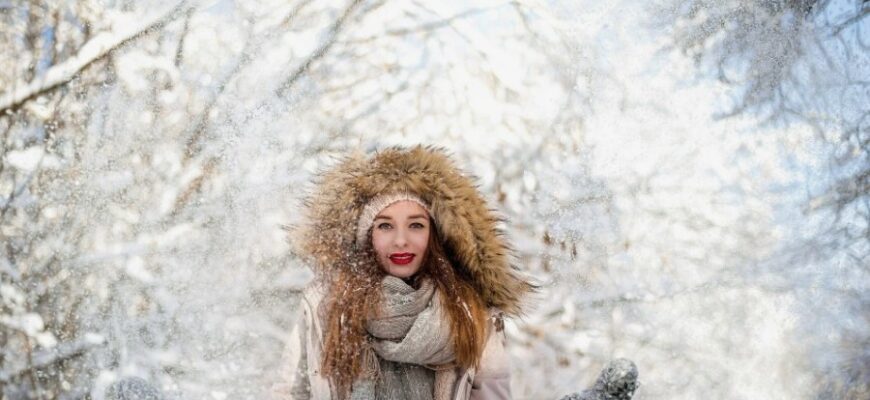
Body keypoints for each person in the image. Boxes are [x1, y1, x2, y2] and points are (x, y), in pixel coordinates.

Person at [273, 146, 534, 400]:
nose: (400, 240)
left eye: (416, 225)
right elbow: (292, 392)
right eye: (385, 225)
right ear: (367, 235)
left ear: (434, 234)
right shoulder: (325, 304)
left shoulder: (471, 314)